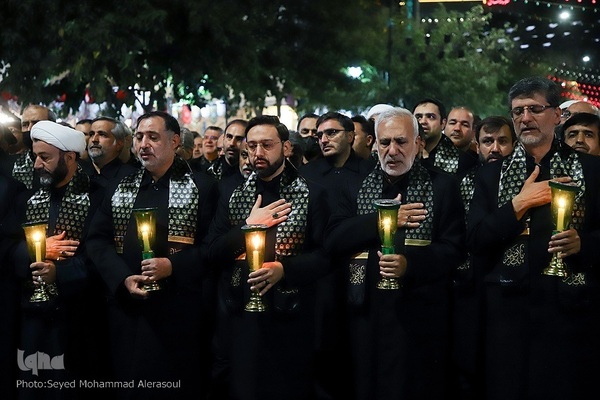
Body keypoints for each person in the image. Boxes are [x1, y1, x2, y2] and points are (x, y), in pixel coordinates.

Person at [467, 76, 600, 400]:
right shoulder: (490, 174)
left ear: (557, 115)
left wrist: (585, 244)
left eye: (535, 109)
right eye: (518, 111)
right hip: (507, 313)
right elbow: (475, 239)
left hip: (570, 311)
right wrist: (518, 204)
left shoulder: (592, 170)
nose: (525, 118)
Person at [325, 107, 466, 400]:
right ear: (374, 145)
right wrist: (382, 220)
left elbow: (453, 249)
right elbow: (334, 241)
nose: (393, 150)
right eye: (385, 142)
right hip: (363, 314)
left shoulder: (442, 186)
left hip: (419, 314)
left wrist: (409, 264)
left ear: (418, 144)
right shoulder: (350, 184)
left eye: (401, 142)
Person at [86, 111, 219, 399]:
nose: (143, 144)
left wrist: (172, 266)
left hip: (180, 312)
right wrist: (122, 279)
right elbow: (96, 240)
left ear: (174, 141)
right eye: (139, 137)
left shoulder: (202, 186)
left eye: (153, 137)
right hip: (128, 310)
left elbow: (213, 248)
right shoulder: (121, 186)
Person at [204, 115, 331, 400]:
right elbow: (211, 252)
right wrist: (248, 227)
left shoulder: (312, 193)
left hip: (291, 316)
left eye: (267, 145)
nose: (257, 153)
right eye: (252, 146)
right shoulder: (230, 192)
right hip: (239, 317)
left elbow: (325, 256)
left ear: (286, 148)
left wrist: (283, 270)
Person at [2, 121, 110, 399]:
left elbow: (103, 255)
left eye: (45, 157)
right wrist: (33, 252)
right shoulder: (26, 199)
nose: (38, 165)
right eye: (35, 156)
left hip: (80, 319)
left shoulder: (99, 197)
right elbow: (6, 247)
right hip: (32, 322)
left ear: (70, 157)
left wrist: (59, 274)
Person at [452, 115, 516, 400]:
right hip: (466, 282)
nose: (495, 149)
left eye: (503, 141)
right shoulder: (461, 182)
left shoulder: (522, 181)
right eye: (488, 142)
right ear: (476, 146)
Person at [413, 98, 477, 176]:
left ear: (443, 123)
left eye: (431, 117)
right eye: (418, 117)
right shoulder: (400, 153)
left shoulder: (466, 162)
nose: (423, 121)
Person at [86, 116, 138, 206]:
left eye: (102, 134)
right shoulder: (80, 173)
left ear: (119, 144)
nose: (94, 139)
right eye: (91, 134)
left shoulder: (131, 178)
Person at [10, 104, 57, 190]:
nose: (29, 129)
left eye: (36, 123)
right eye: (25, 124)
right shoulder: (11, 165)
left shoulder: (66, 163)